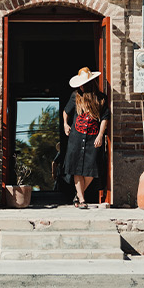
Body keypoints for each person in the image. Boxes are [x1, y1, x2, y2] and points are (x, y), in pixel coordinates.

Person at [61, 66, 109, 208]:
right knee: (76, 168)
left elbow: (105, 118)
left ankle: (78, 193)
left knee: (91, 169)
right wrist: (65, 124)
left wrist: (101, 135)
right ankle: (81, 199)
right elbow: (66, 111)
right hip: (76, 137)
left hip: (93, 137)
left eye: (83, 84)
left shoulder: (101, 99)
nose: (81, 87)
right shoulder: (75, 96)